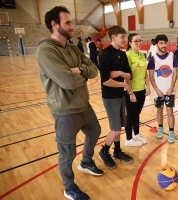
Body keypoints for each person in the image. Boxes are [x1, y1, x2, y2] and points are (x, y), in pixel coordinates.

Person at [36, 6, 102, 200]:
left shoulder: (72, 47)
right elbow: (67, 81)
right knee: (67, 152)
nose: (73, 26)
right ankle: (69, 187)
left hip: (83, 105)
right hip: (64, 111)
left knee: (95, 131)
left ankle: (86, 162)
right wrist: (81, 73)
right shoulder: (46, 50)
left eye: (71, 22)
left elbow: (93, 69)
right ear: (54, 24)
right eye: (68, 23)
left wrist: (78, 70)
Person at [98, 25, 136, 169]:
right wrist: (125, 86)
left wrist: (120, 73)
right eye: (123, 37)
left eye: (125, 37)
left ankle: (118, 151)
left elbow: (129, 75)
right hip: (110, 97)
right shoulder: (105, 54)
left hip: (120, 96)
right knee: (115, 129)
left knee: (119, 126)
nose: (125, 40)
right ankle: (104, 151)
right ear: (113, 37)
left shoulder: (122, 54)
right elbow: (106, 81)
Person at [147, 34, 178, 143]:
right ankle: (160, 128)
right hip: (158, 91)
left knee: (170, 112)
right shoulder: (153, 59)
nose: (164, 45)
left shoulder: (172, 56)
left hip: (170, 91)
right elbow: (150, 76)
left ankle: (171, 132)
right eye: (161, 43)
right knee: (159, 110)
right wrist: (156, 90)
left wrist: (171, 88)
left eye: (165, 43)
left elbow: (175, 73)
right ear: (156, 44)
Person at [124, 33, 151, 146]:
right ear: (130, 43)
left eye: (140, 40)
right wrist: (130, 92)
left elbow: (145, 72)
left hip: (141, 89)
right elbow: (126, 76)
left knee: (137, 113)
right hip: (132, 91)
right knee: (130, 114)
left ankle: (136, 134)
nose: (139, 43)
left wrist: (148, 86)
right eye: (136, 41)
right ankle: (128, 139)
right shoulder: (127, 55)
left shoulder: (143, 55)